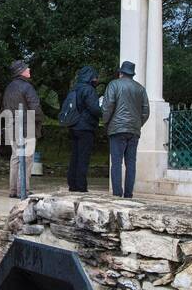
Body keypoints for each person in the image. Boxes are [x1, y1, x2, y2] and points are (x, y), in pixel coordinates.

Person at [101, 61, 149, 198]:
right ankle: (128, 194)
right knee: (131, 163)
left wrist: (106, 123)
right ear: (132, 74)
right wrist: (137, 124)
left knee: (116, 162)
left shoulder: (114, 84)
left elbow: (107, 106)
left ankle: (117, 193)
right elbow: (146, 111)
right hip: (133, 130)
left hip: (117, 129)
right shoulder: (140, 88)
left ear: (121, 73)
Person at [2, 59, 43, 197]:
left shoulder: (9, 87)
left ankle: (13, 189)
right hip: (27, 127)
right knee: (27, 159)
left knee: (15, 158)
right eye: (26, 68)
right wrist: (39, 120)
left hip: (12, 127)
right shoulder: (27, 87)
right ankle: (22, 190)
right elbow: (35, 108)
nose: (29, 69)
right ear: (21, 72)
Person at [63, 65, 101, 192]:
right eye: (95, 77)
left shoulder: (75, 89)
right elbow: (95, 109)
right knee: (83, 157)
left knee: (74, 156)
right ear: (91, 77)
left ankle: (72, 183)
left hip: (73, 126)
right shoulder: (88, 90)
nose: (97, 79)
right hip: (85, 127)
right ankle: (81, 185)